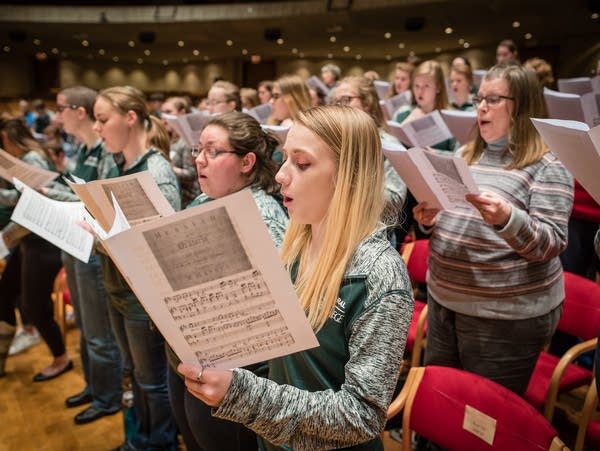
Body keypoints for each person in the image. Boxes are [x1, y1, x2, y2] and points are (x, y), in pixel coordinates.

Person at [178, 105, 413, 450]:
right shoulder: (296, 242)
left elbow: (361, 415)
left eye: (301, 164)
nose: (280, 175)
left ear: (348, 175)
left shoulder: (379, 276)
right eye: (285, 159)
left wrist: (244, 393)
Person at [413, 62, 574, 395]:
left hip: (504, 316)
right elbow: (450, 217)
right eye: (479, 98)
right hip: (444, 301)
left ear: (522, 104)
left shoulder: (549, 164)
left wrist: (507, 218)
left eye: (494, 99)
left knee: (481, 416)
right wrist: (429, 221)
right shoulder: (465, 153)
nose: (481, 107)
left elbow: (552, 243)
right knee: (443, 401)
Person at [167, 112, 288, 451]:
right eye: (197, 149)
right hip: (188, 350)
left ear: (247, 161)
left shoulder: (263, 216)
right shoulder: (205, 200)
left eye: (213, 151)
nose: (199, 160)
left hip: (233, 370)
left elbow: (273, 309)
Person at [93, 86, 180, 451]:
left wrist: (107, 235)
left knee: (151, 381)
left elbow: (167, 245)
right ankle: (139, 439)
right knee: (134, 374)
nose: (97, 129)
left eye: (102, 119)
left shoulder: (157, 172)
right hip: (119, 286)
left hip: (143, 298)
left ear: (130, 118)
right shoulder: (117, 162)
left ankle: (158, 444)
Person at [50, 86, 124, 425]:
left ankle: (108, 397)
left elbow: (98, 203)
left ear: (80, 111)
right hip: (74, 242)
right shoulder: (83, 148)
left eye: (61, 108)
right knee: (84, 324)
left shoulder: (105, 153)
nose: (56, 114)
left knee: (98, 331)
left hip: (92, 249)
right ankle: (94, 387)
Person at [0, 118, 71, 381]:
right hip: (31, 239)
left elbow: (38, 199)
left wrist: (7, 238)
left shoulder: (32, 157)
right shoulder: (30, 155)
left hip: (42, 240)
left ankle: (61, 357)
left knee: (34, 304)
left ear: (10, 139)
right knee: (11, 293)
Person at [331, 76, 407, 224]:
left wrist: (349, 185)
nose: (339, 107)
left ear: (367, 103)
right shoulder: (332, 141)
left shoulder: (388, 144)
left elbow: (395, 201)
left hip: (372, 231)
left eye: (346, 99)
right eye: (336, 102)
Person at [160, 96, 201, 208]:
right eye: (162, 112)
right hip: (174, 195)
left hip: (188, 200)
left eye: (168, 112)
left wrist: (169, 168)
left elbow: (192, 174)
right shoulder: (167, 139)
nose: (164, 117)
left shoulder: (188, 141)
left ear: (181, 113)